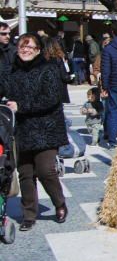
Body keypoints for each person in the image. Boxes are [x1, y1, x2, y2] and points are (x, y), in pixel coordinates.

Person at [0, 33, 69, 231]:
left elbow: (51, 98)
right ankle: (29, 214)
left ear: (38, 50)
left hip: (46, 128)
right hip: (21, 129)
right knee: (25, 173)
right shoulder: (10, 70)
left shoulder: (48, 69)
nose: (26, 50)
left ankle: (59, 203)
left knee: (45, 169)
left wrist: (21, 106)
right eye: (22, 47)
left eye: (30, 47)